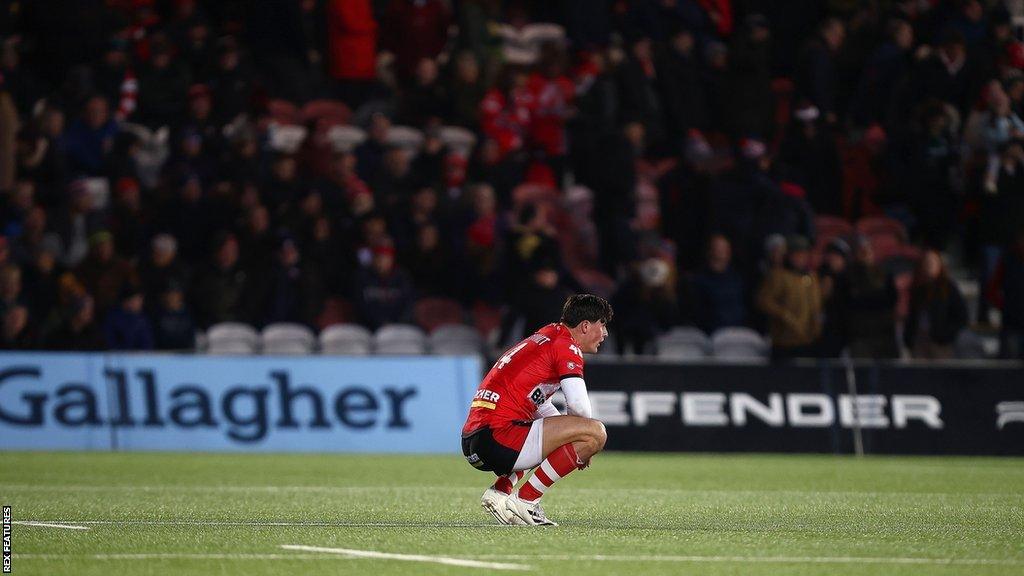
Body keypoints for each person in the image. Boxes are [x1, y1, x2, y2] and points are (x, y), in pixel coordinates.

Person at [462, 294, 611, 526]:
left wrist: (569, 436)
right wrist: (584, 439)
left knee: (571, 432)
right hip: (499, 438)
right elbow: (580, 407)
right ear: (585, 326)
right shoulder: (566, 346)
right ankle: (527, 501)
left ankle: (501, 491)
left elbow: (538, 402)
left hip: (476, 441)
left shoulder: (549, 335)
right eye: (602, 325)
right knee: (596, 433)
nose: (605, 333)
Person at [904, 249, 967, 359]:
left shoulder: (948, 288)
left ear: (940, 265)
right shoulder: (918, 290)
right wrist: (909, 339)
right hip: (920, 342)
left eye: (933, 262)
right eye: (927, 263)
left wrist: (946, 335)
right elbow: (911, 317)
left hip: (941, 343)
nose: (929, 266)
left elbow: (961, 316)